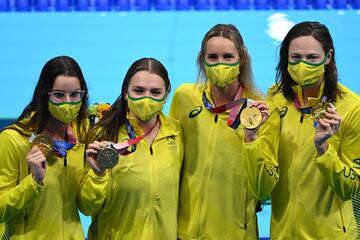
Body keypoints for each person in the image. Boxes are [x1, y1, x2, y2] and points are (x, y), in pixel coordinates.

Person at [169, 24, 280, 239]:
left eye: (228, 57)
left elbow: (263, 188)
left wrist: (251, 136)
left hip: (236, 233)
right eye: (213, 57)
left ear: (242, 60)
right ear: (203, 61)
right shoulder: (185, 98)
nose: (220, 64)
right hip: (186, 232)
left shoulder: (262, 110)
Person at [268, 21, 360, 239]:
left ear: (328, 57)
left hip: (330, 235)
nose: (303, 65)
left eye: (312, 58)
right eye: (296, 58)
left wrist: (323, 149)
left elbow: (351, 188)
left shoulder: (352, 108)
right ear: (286, 58)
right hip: (283, 233)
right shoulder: (275, 98)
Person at [79, 57, 184, 239]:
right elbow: (87, 208)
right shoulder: (103, 134)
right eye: (139, 90)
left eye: (155, 92)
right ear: (126, 92)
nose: (146, 98)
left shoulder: (177, 133)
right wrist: (98, 175)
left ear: (167, 95)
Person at [0, 56, 94, 239]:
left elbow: (87, 207)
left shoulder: (82, 137)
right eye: (59, 95)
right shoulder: (13, 139)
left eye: (75, 95)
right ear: (44, 94)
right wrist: (33, 182)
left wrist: (98, 175)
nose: (68, 102)